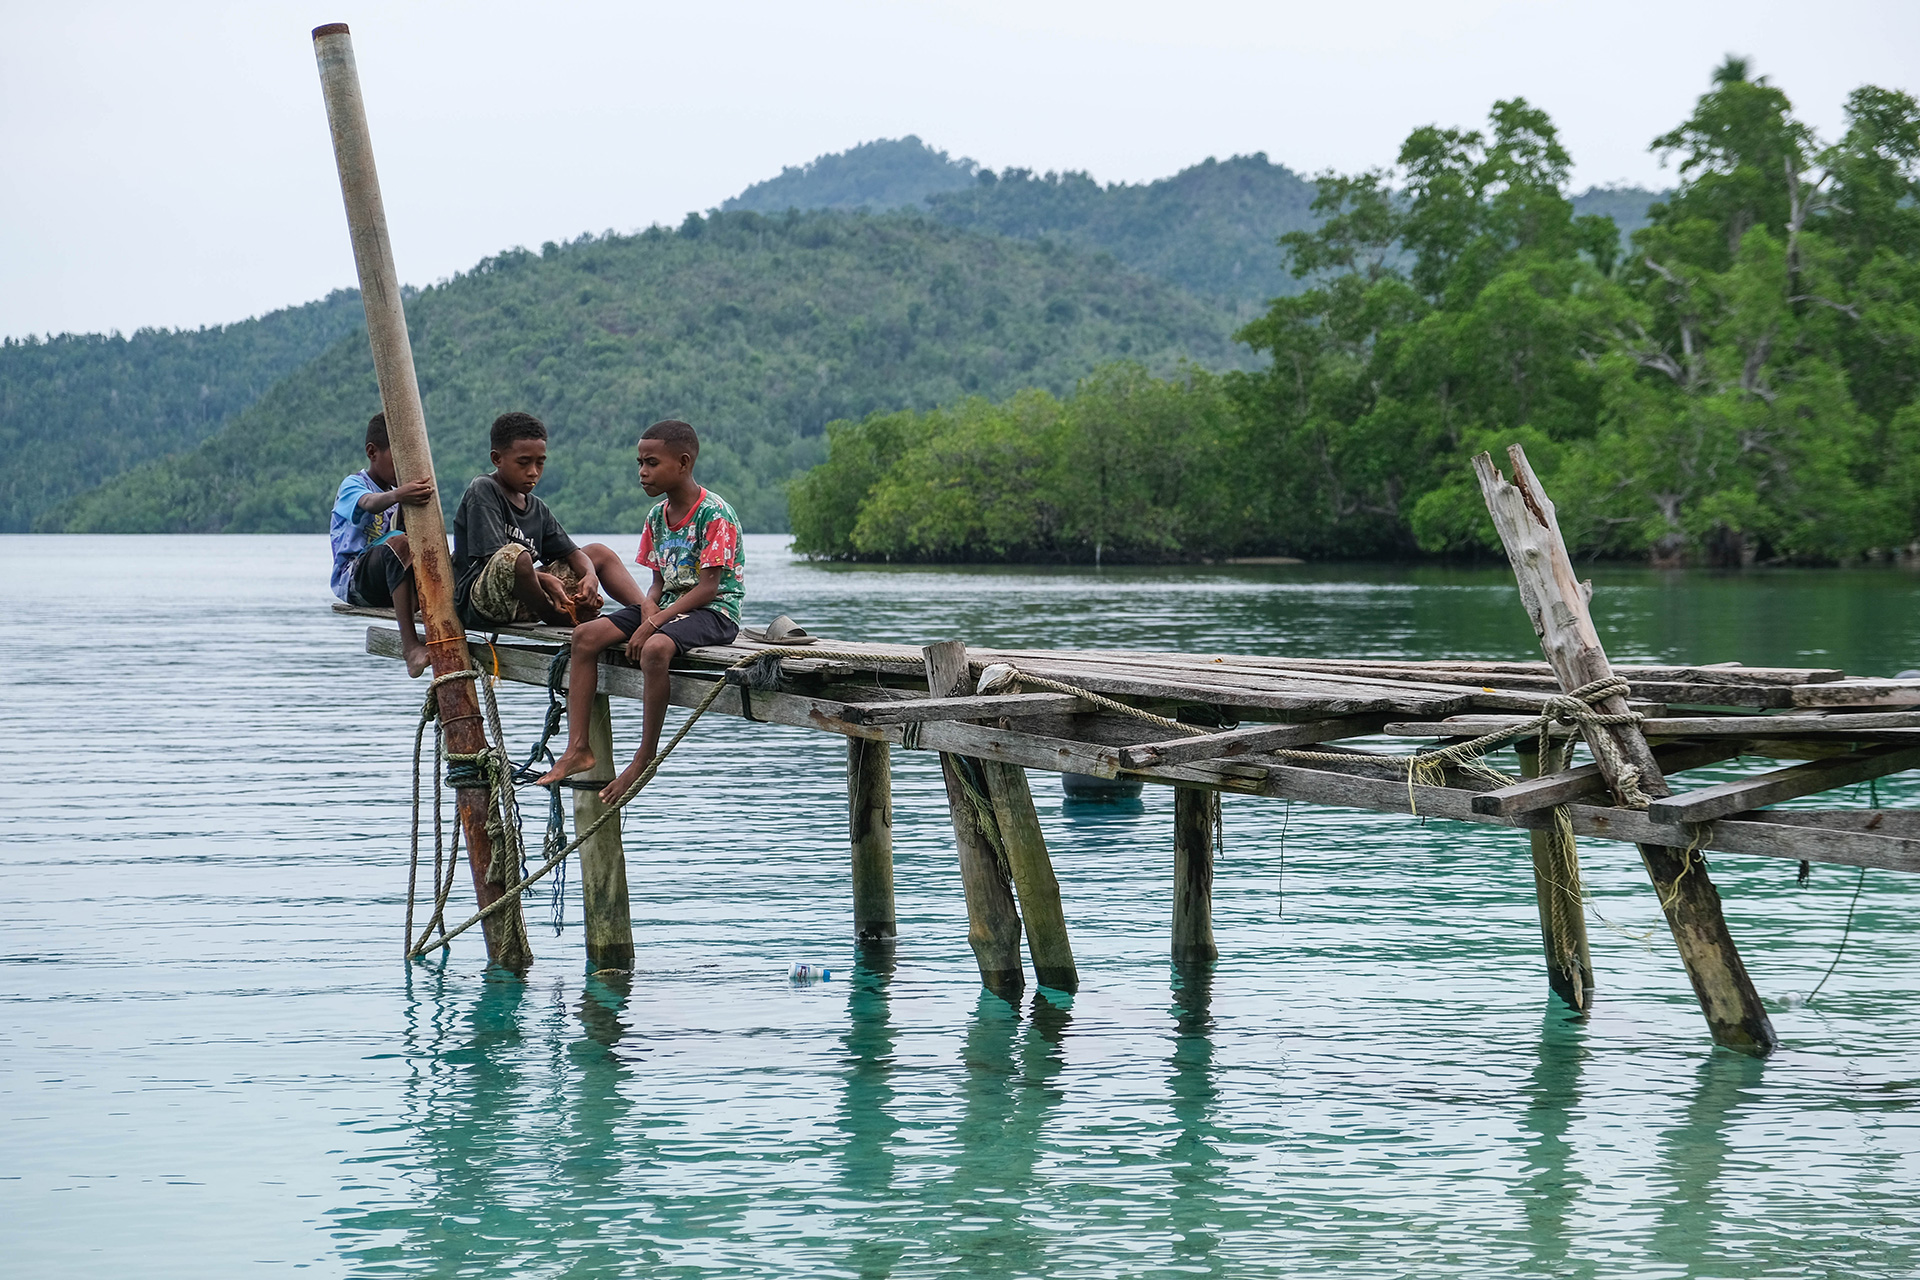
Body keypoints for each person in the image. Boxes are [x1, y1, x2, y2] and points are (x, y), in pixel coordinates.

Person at [536, 419, 745, 803]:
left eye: (651, 463)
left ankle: (644, 756)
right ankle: (578, 747)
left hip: (714, 611)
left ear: (682, 463)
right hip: (667, 608)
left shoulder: (714, 514)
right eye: (639, 463)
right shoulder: (656, 517)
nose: (642, 472)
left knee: (655, 650)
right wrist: (649, 607)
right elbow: (657, 583)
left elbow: (708, 587)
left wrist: (653, 622)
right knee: (585, 636)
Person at [451, 411, 645, 633]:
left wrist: (590, 576)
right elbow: (497, 559)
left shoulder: (537, 507)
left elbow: (573, 553)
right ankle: (556, 616)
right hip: (484, 603)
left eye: (539, 463)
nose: (533, 472)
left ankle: (649, 616)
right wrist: (544, 580)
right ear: (497, 459)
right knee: (517, 554)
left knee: (598, 553)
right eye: (523, 463)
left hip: (527, 600)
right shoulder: (484, 489)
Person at [330, 412, 436, 676]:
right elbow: (368, 503)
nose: (402, 466)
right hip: (355, 579)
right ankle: (410, 647)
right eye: (396, 458)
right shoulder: (354, 484)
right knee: (399, 545)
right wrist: (399, 494)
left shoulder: (401, 497)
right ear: (372, 452)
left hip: (390, 581)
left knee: (433, 551)